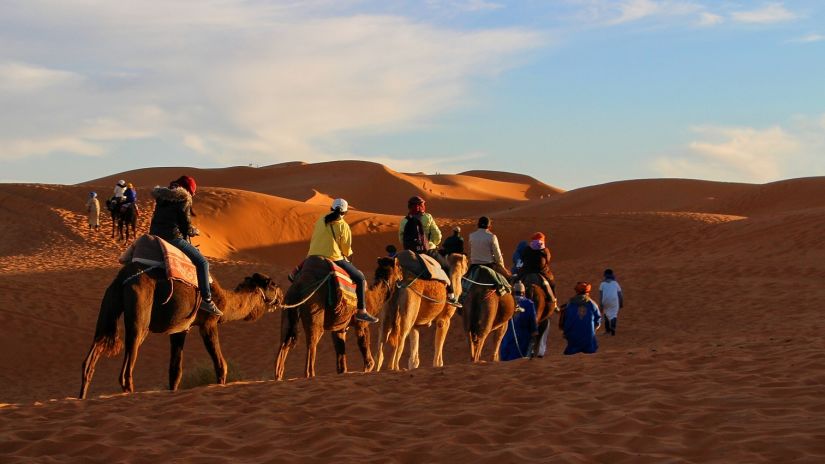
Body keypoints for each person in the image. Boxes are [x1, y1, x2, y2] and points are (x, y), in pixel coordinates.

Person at [149, 175, 223, 317]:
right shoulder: (183, 198)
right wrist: (193, 231)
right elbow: (185, 226)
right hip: (172, 237)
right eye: (193, 193)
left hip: (154, 235)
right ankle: (206, 300)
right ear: (188, 190)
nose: (192, 195)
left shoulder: (162, 196)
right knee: (202, 262)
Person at [308, 198, 379, 323]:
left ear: (331, 208)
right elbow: (346, 249)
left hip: (313, 255)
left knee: (300, 271)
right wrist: (349, 254)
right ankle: (361, 311)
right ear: (345, 213)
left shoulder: (321, 219)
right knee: (360, 278)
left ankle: (294, 274)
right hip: (333, 257)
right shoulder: (343, 226)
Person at [399, 196, 460, 306]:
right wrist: (432, 244)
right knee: (447, 267)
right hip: (427, 251)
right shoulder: (427, 217)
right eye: (422, 205)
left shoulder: (404, 221)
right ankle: (451, 295)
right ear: (420, 206)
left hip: (409, 253)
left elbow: (401, 238)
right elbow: (438, 235)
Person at [499, 282, 539, 361]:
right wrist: (534, 332)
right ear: (523, 292)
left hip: (506, 339)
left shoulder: (506, 302)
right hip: (523, 338)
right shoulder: (529, 304)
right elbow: (532, 322)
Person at [559, 282, 601, 355]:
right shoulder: (592, 304)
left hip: (573, 340)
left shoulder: (569, 304)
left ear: (577, 291)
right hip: (589, 340)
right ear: (587, 292)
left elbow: (564, 321)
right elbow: (598, 320)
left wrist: (566, 332)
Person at [518, 232, 556, 303]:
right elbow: (548, 260)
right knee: (552, 283)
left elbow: (522, 258)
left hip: (527, 271)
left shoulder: (527, 249)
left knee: (516, 280)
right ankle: (553, 301)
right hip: (541, 271)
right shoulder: (545, 250)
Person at [599, 268, 623, 336]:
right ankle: (613, 328)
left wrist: (600, 304)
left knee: (606, 314)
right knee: (614, 315)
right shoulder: (615, 283)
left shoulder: (602, 284)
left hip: (605, 301)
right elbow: (620, 295)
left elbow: (600, 295)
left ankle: (607, 330)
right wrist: (621, 303)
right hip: (614, 301)